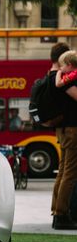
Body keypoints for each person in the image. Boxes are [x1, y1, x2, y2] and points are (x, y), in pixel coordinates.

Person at [49, 43, 77, 229]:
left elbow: (58, 81)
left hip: (64, 129)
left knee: (63, 171)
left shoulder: (61, 77)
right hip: (73, 129)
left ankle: (56, 210)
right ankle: (61, 214)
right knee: (70, 173)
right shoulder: (71, 79)